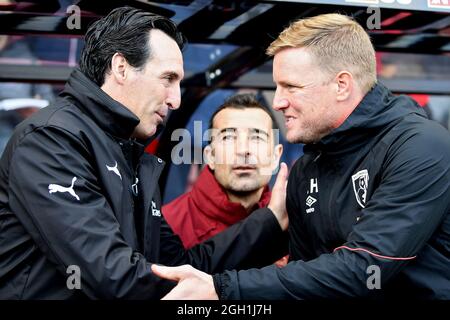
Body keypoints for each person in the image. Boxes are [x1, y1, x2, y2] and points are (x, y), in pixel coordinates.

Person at [152, 13, 450, 299]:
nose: (278, 101)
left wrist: (224, 288)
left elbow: (364, 270)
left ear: (341, 85)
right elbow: (305, 282)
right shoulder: (306, 168)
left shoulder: (421, 146)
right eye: (277, 86)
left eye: (291, 87)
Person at [0, 6, 289, 299]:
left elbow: (176, 267)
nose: (176, 99)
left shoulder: (127, 150)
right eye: (168, 79)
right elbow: (113, 276)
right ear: (121, 68)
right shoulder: (51, 139)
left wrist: (271, 223)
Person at [163, 93, 283, 249]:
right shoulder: (167, 225)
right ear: (210, 156)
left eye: (257, 137)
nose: (243, 150)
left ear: (275, 157)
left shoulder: (294, 223)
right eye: (228, 137)